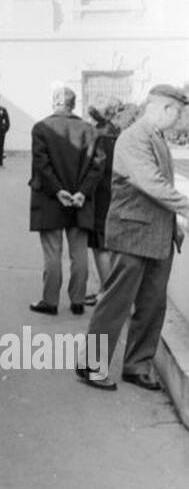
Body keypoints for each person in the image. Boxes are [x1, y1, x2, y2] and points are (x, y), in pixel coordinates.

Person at [76, 85, 189, 393]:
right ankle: (91, 365)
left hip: (157, 236)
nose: (180, 120)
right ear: (165, 109)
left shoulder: (155, 137)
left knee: (153, 305)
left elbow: (158, 185)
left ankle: (137, 365)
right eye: (179, 113)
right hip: (132, 234)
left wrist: (175, 225)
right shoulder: (134, 137)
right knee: (117, 302)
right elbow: (150, 182)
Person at [28, 87, 102, 316]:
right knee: (79, 253)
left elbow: (42, 164)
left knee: (52, 253)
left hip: (50, 198)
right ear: (73, 103)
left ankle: (50, 302)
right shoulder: (90, 130)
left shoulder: (41, 128)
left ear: (56, 101)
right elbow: (97, 167)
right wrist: (82, 192)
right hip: (80, 200)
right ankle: (77, 301)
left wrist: (58, 190)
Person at [85, 101, 121, 304]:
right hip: (114, 195)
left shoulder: (100, 136)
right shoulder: (117, 133)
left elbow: (95, 168)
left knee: (101, 248)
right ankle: (106, 290)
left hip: (101, 197)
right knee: (106, 247)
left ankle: (106, 294)